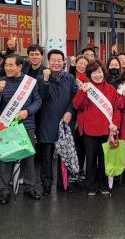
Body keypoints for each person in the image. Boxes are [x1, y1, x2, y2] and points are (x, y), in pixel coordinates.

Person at [0, 54, 42, 204]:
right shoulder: (0, 82)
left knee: (28, 158)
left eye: (11, 65)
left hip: (27, 125)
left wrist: (28, 111)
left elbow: (38, 100)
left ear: (19, 66)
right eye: (6, 65)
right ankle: (4, 191)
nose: (7, 68)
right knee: (6, 158)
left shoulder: (30, 82)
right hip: (6, 126)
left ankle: (30, 188)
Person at [72, 61, 121, 196]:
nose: (97, 75)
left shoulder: (111, 89)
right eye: (94, 73)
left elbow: (116, 110)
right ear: (89, 74)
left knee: (105, 159)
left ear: (104, 73)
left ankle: (104, 185)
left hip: (107, 130)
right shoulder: (86, 88)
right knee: (91, 159)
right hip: (90, 130)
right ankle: (91, 186)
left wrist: (115, 124)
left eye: (99, 72)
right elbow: (77, 105)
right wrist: (83, 92)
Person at [37, 49, 79, 196]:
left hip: (66, 121)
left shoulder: (70, 78)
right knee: (47, 156)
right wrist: (46, 80)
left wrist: (70, 112)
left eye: (59, 60)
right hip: (47, 122)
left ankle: (64, 184)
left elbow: (75, 98)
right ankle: (46, 185)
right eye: (53, 60)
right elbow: (41, 96)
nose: (56, 63)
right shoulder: (41, 77)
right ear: (48, 62)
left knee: (64, 154)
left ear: (63, 62)